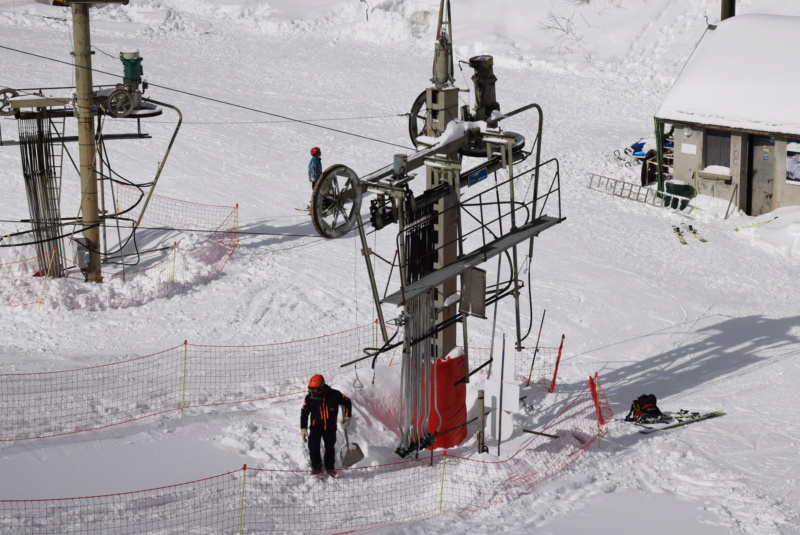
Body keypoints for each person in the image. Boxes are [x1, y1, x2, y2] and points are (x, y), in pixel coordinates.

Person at [300, 374, 352, 476]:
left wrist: (347, 417)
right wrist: (303, 428)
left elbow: (347, 402)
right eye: (311, 391)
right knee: (313, 448)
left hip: (330, 428)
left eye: (315, 392)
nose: (313, 395)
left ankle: (330, 468)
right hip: (315, 428)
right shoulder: (309, 398)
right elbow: (304, 413)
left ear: (322, 387)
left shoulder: (334, 395)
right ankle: (317, 469)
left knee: (330, 448)